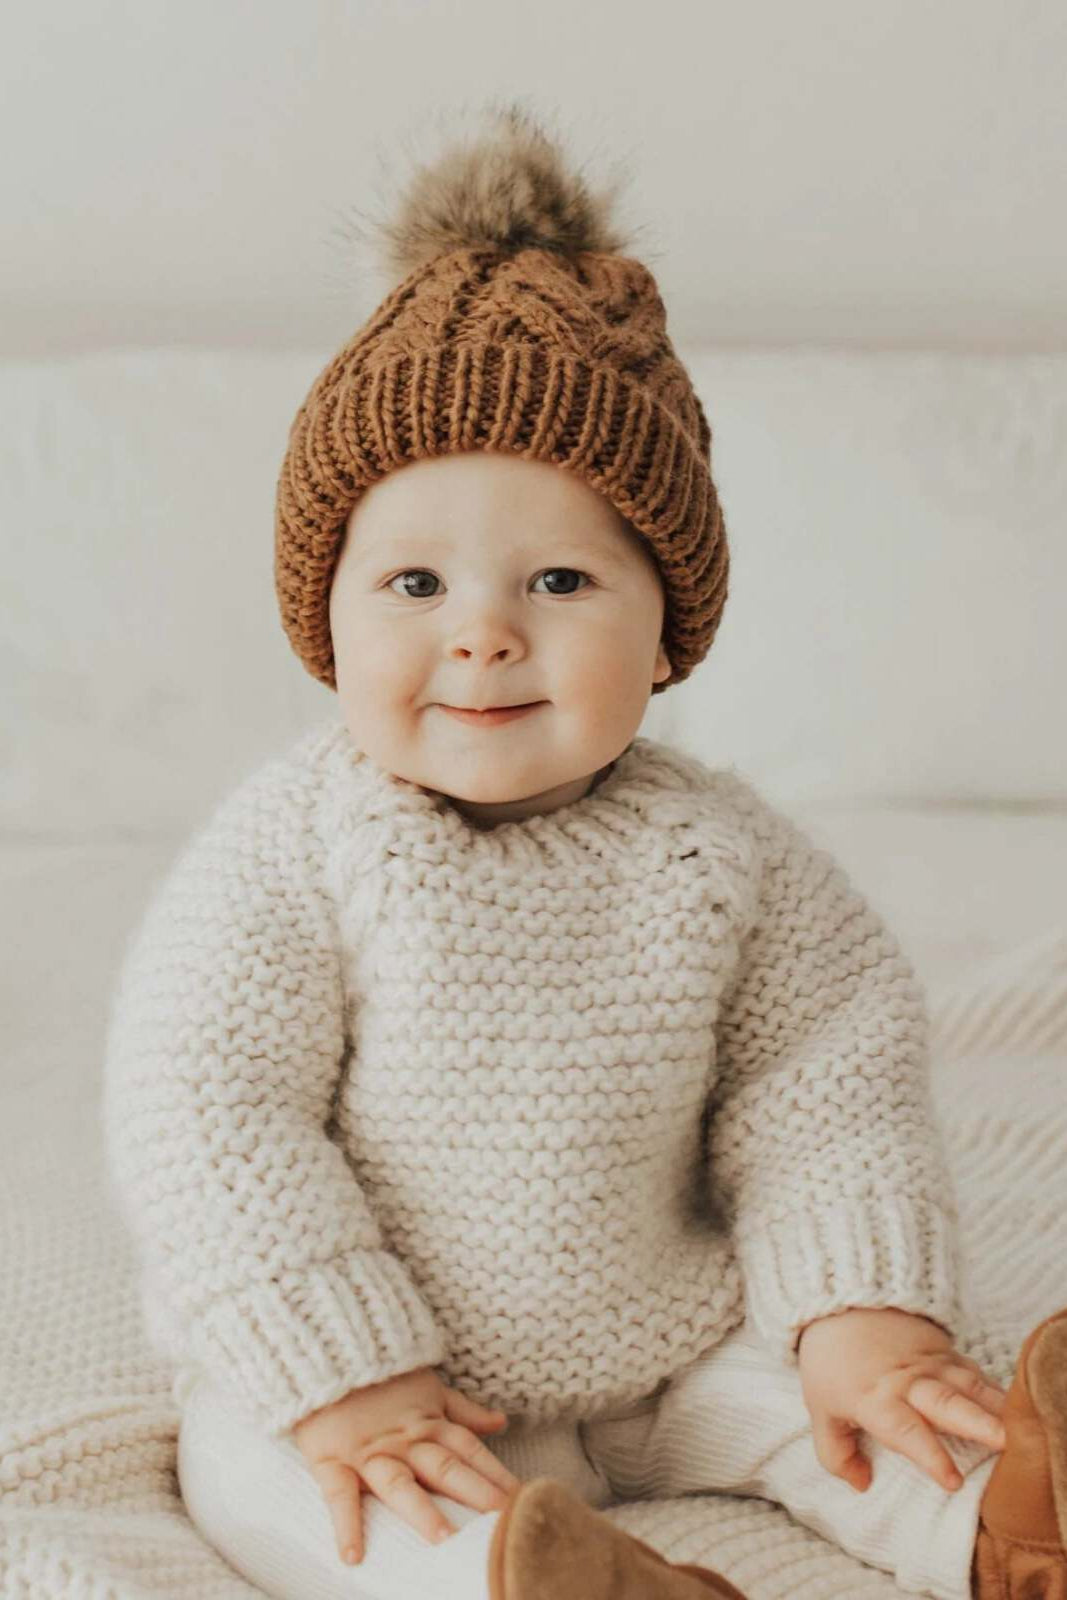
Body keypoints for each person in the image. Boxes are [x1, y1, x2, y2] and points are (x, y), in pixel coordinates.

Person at [100, 98, 1067, 1600]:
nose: (484, 629)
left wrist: (859, 1308)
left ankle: (997, 1525)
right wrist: (345, 1369)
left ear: (668, 625)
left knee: (858, 1413)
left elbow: (826, 1085)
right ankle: (533, 1577)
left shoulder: (719, 855)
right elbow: (204, 1113)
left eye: (559, 577)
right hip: (398, 1364)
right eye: (414, 580)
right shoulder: (300, 851)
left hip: (666, 1343)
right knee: (289, 1477)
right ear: (326, 617)